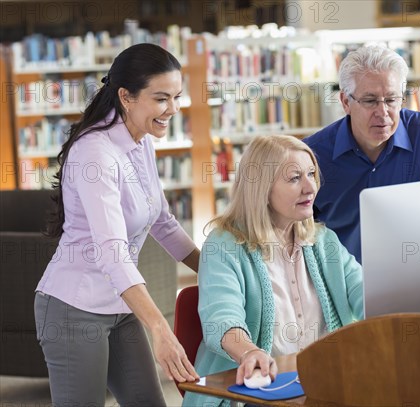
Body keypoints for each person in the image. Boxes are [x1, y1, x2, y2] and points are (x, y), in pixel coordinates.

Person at [35, 43, 200, 406]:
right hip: (72, 308)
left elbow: (162, 221)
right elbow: (112, 253)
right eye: (161, 98)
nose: (172, 109)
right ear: (126, 96)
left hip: (119, 306)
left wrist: (214, 269)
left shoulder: (141, 141)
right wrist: (160, 327)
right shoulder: (95, 153)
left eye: (176, 97)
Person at [182, 135, 364, 406]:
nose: (310, 187)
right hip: (254, 393)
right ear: (262, 189)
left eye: (312, 174)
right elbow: (221, 318)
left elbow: (365, 293)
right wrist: (249, 353)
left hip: (324, 385)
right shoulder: (224, 246)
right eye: (294, 178)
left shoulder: (324, 242)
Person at [304, 45, 420, 263]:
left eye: (391, 99)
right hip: (342, 283)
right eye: (370, 101)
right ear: (345, 102)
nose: (383, 112)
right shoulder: (312, 155)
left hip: (418, 271)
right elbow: (295, 235)